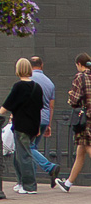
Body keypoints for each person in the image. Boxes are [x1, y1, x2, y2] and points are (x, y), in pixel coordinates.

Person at [0, 57, 45, 194]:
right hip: (32, 126)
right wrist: (37, 128)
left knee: (24, 156)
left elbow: (7, 104)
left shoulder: (18, 87)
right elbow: (39, 108)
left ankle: (29, 186)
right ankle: (21, 182)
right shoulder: (37, 87)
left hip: (21, 126)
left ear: (18, 70)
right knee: (19, 155)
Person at [28, 56, 70, 190]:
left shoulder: (28, 80)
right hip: (44, 118)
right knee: (32, 147)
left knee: (26, 147)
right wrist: (49, 125)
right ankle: (31, 181)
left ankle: (49, 167)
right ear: (42, 65)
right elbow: (51, 106)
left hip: (32, 118)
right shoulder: (49, 82)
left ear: (30, 66)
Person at [65, 53, 91, 191]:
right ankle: (68, 183)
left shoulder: (80, 77)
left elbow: (74, 101)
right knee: (81, 151)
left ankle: (68, 183)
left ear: (79, 64)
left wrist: (70, 96)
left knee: (88, 147)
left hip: (86, 118)